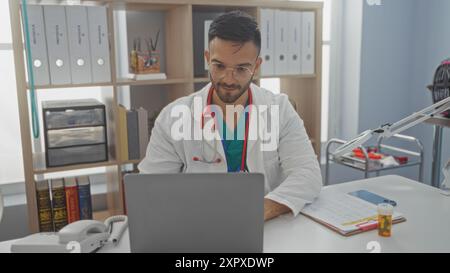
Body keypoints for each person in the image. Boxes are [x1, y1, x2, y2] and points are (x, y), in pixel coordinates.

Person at [138, 10, 322, 221]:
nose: (229, 79)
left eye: (242, 68)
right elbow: (151, 188)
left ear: (257, 66)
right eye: (219, 66)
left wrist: (256, 212)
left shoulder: (280, 110)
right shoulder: (173, 117)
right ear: (207, 58)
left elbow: (308, 175)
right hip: (198, 227)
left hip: (266, 227)